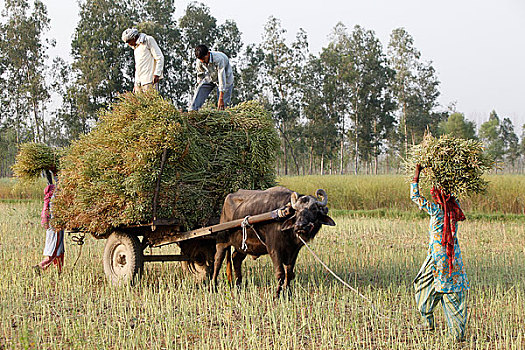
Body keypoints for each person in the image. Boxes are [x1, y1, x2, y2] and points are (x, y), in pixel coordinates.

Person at [410, 164, 469, 342]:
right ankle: (455, 334)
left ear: (437, 197)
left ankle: (429, 322)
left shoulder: (436, 211)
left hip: (438, 259)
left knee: (423, 286)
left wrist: (417, 174)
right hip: (453, 259)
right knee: (454, 294)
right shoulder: (453, 210)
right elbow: (452, 194)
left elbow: (415, 196)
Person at [189, 44, 234, 111]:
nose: (203, 61)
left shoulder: (219, 59)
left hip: (225, 78)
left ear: (208, 54)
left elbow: (222, 78)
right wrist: (199, 87)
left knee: (222, 106)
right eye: (201, 60)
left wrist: (221, 98)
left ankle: (222, 115)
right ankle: (192, 111)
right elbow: (200, 75)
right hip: (211, 76)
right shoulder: (200, 61)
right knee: (200, 88)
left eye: (204, 59)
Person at [33, 181, 65, 274]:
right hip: (56, 227)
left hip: (54, 227)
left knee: (60, 250)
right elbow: (56, 214)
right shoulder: (54, 199)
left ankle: (58, 271)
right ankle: (40, 267)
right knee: (54, 250)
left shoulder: (48, 199)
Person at [121, 28, 164, 93]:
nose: (129, 44)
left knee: (151, 102)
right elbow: (138, 66)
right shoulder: (136, 48)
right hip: (139, 82)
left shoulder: (148, 40)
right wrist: (135, 84)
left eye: (129, 41)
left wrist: (157, 74)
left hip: (149, 80)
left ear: (134, 37)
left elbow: (159, 57)